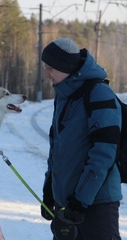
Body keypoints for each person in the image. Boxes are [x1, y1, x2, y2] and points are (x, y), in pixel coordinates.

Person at [40, 38, 123, 240]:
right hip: (67, 205)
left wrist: (80, 202)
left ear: (65, 66)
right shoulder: (63, 96)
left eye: (50, 67)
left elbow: (103, 154)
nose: (46, 73)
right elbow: (58, 147)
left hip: (96, 205)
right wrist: (50, 190)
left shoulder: (99, 94)